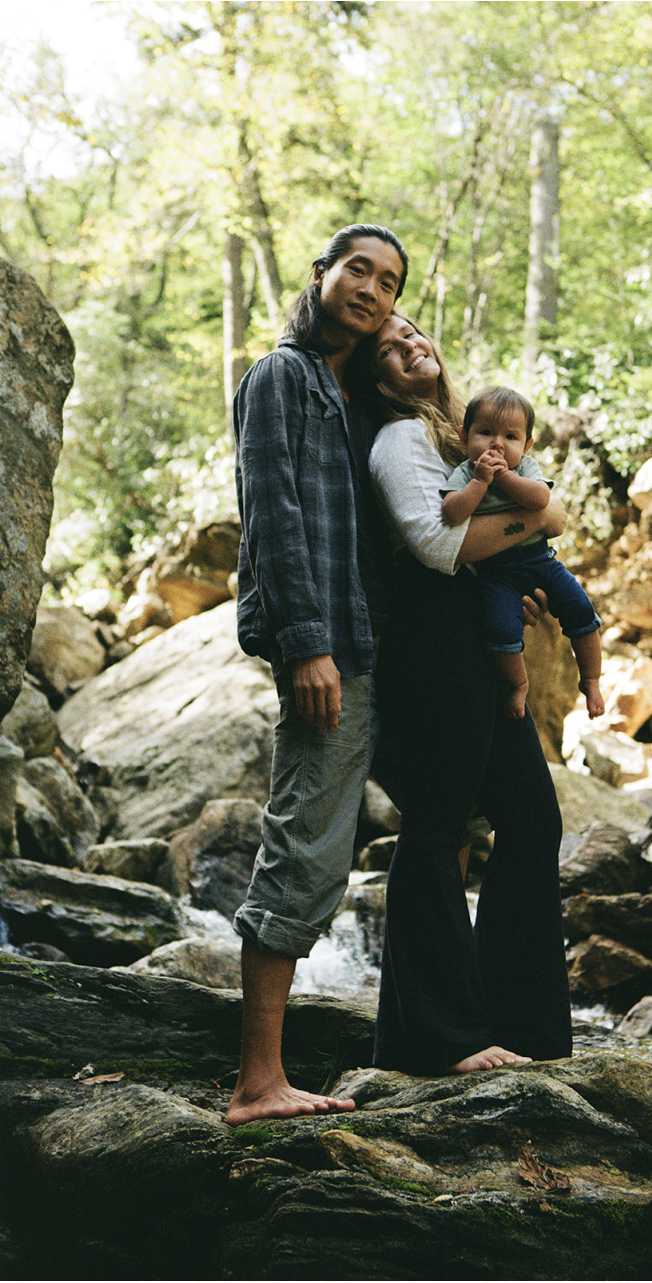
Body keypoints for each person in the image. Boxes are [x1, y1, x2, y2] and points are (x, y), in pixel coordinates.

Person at [226, 224, 408, 1124]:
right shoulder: (282, 377)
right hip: (324, 649)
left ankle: (428, 1033)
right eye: (357, 271)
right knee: (302, 846)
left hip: (370, 649)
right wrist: (304, 642)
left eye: (388, 283)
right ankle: (258, 1084)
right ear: (322, 276)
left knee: (340, 847)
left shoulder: (355, 395)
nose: (370, 290)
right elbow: (272, 512)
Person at [359, 313, 574, 1075]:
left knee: (531, 817)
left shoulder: (463, 434)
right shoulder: (398, 439)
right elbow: (435, 544)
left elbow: (544, 516)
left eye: (414, 332)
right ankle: (441, 1039)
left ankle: (524, 1025)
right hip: (431, 649)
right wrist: (534, 518)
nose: (412, 345)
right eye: (389, 347)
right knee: (439, 826)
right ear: (374, 374)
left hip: (476, 645)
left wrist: (525, 538)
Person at [441, 384, 604, 721]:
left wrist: (503, 478)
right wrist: (479, 483)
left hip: (542, 563)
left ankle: (591, 679)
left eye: (510, 437)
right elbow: (452, 514)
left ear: (527, 445)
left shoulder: (525, 469)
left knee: (580, 610)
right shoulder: (464, 474)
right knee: (501, 632)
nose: (497, 443)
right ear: (463, 436)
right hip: (496, 575)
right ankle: (518, 685)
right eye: (485, 433)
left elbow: (540, 501)